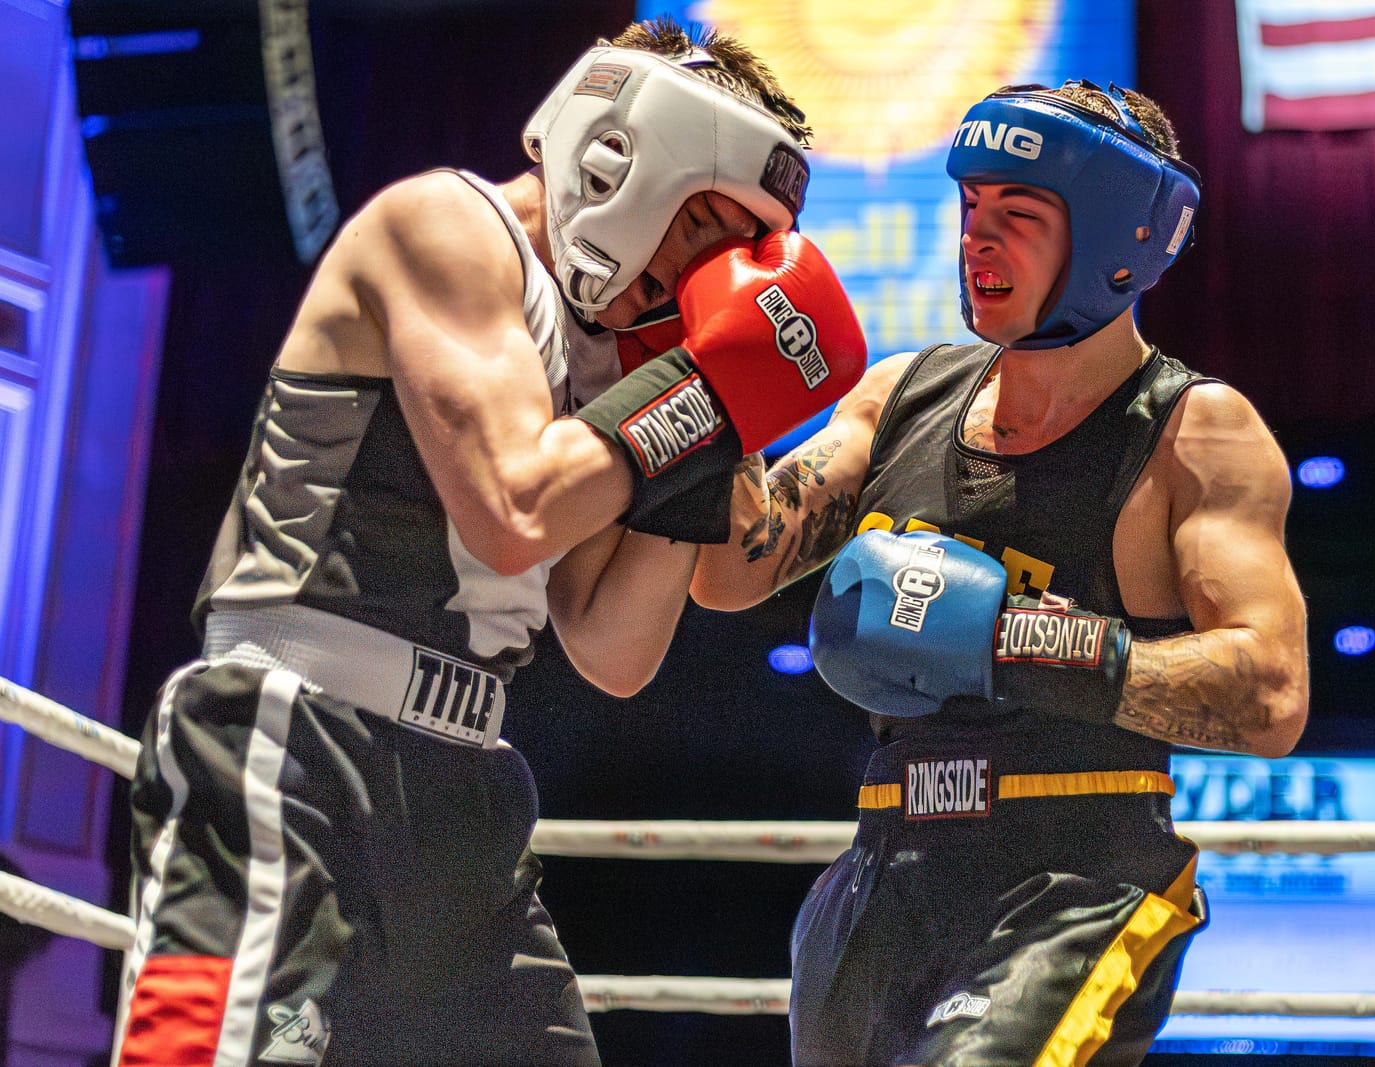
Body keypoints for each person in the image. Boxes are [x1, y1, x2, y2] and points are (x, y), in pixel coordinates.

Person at [113, 18, 865, 1067]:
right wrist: (703, 390)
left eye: (739, 257)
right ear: (623, 154)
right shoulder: (443, 228)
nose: (701, 272)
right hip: (289, 743)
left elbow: (612, 647)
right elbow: (512, 513)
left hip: (465, 788)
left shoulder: (621, 363)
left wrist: (719, 420)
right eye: (705, 227)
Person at [692, 80, 1310, 1066]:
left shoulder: (1193, 430)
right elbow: (728, 571)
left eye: (1016, 217)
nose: (976, 240)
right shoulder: (900, 393)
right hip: (881, 870)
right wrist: (719, 390)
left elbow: (1270, 695)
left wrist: (1012, 639)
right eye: (970, 209)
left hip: (1072, 879)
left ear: (1119, 238)